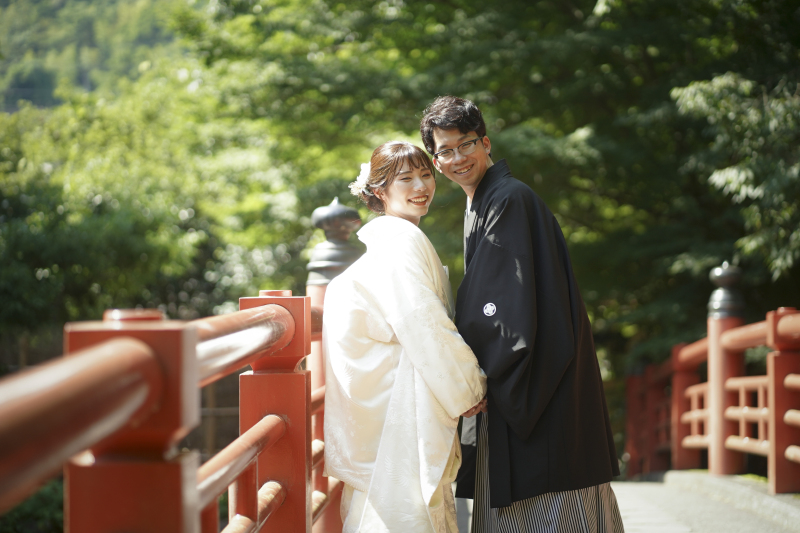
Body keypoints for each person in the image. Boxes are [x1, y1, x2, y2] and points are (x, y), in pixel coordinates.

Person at [420, 96, 624, 532]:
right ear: (436, 162)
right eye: (446, 151)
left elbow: (501, 308)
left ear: (485, 142)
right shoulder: (486, 200)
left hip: (539, 380)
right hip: (536, 376)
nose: (458, 158)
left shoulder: (508, 199)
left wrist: (466, 377)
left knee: (545, 496)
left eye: (466, 144)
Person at [323, 140, 488, 533]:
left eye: (426, 175)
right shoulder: (398, 241)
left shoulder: (396, 238)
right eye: (405, 179)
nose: (421, 186)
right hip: (399, 404)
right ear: (379, 191)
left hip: (391, 399)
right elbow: (423, 323)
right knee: (406, 508)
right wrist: (468, 388)